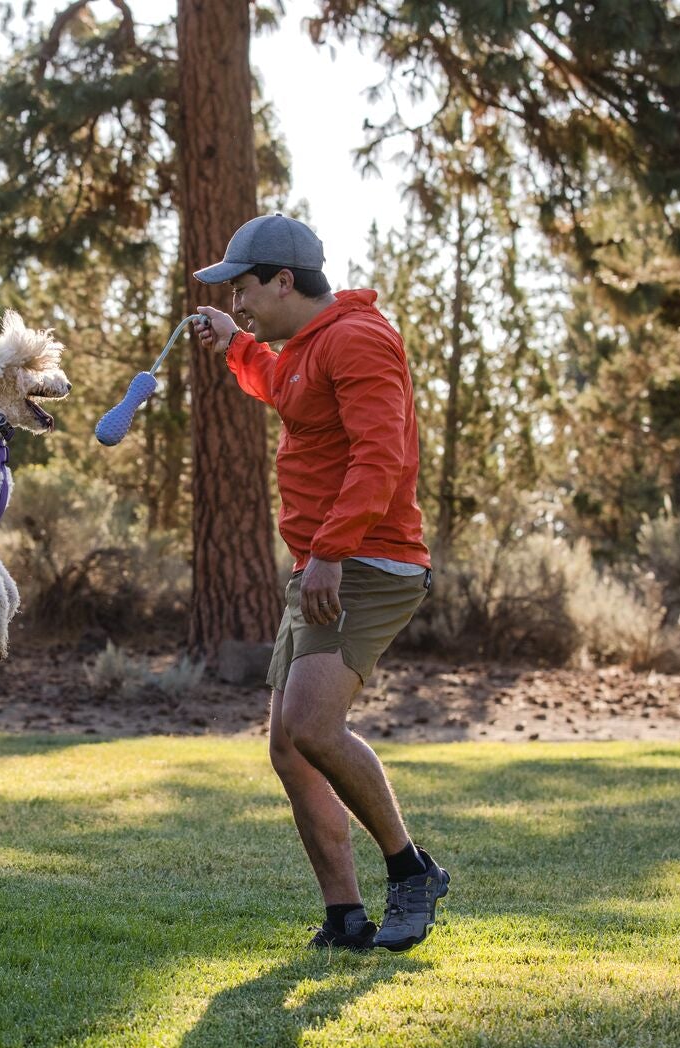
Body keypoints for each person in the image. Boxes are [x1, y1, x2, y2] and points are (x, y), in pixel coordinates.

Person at [193, 212, 449, 953]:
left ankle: (412, 870)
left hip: (368, 559)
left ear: (283, 280)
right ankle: (345, 916)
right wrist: (235, 343)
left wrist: (333, 550)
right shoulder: (306, 349)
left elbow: (383, 455)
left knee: (312, 725)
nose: (237, 300)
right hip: (325, 564)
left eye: (243, 289)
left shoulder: (359, 338)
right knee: (288, 747)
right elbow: (281, 386)